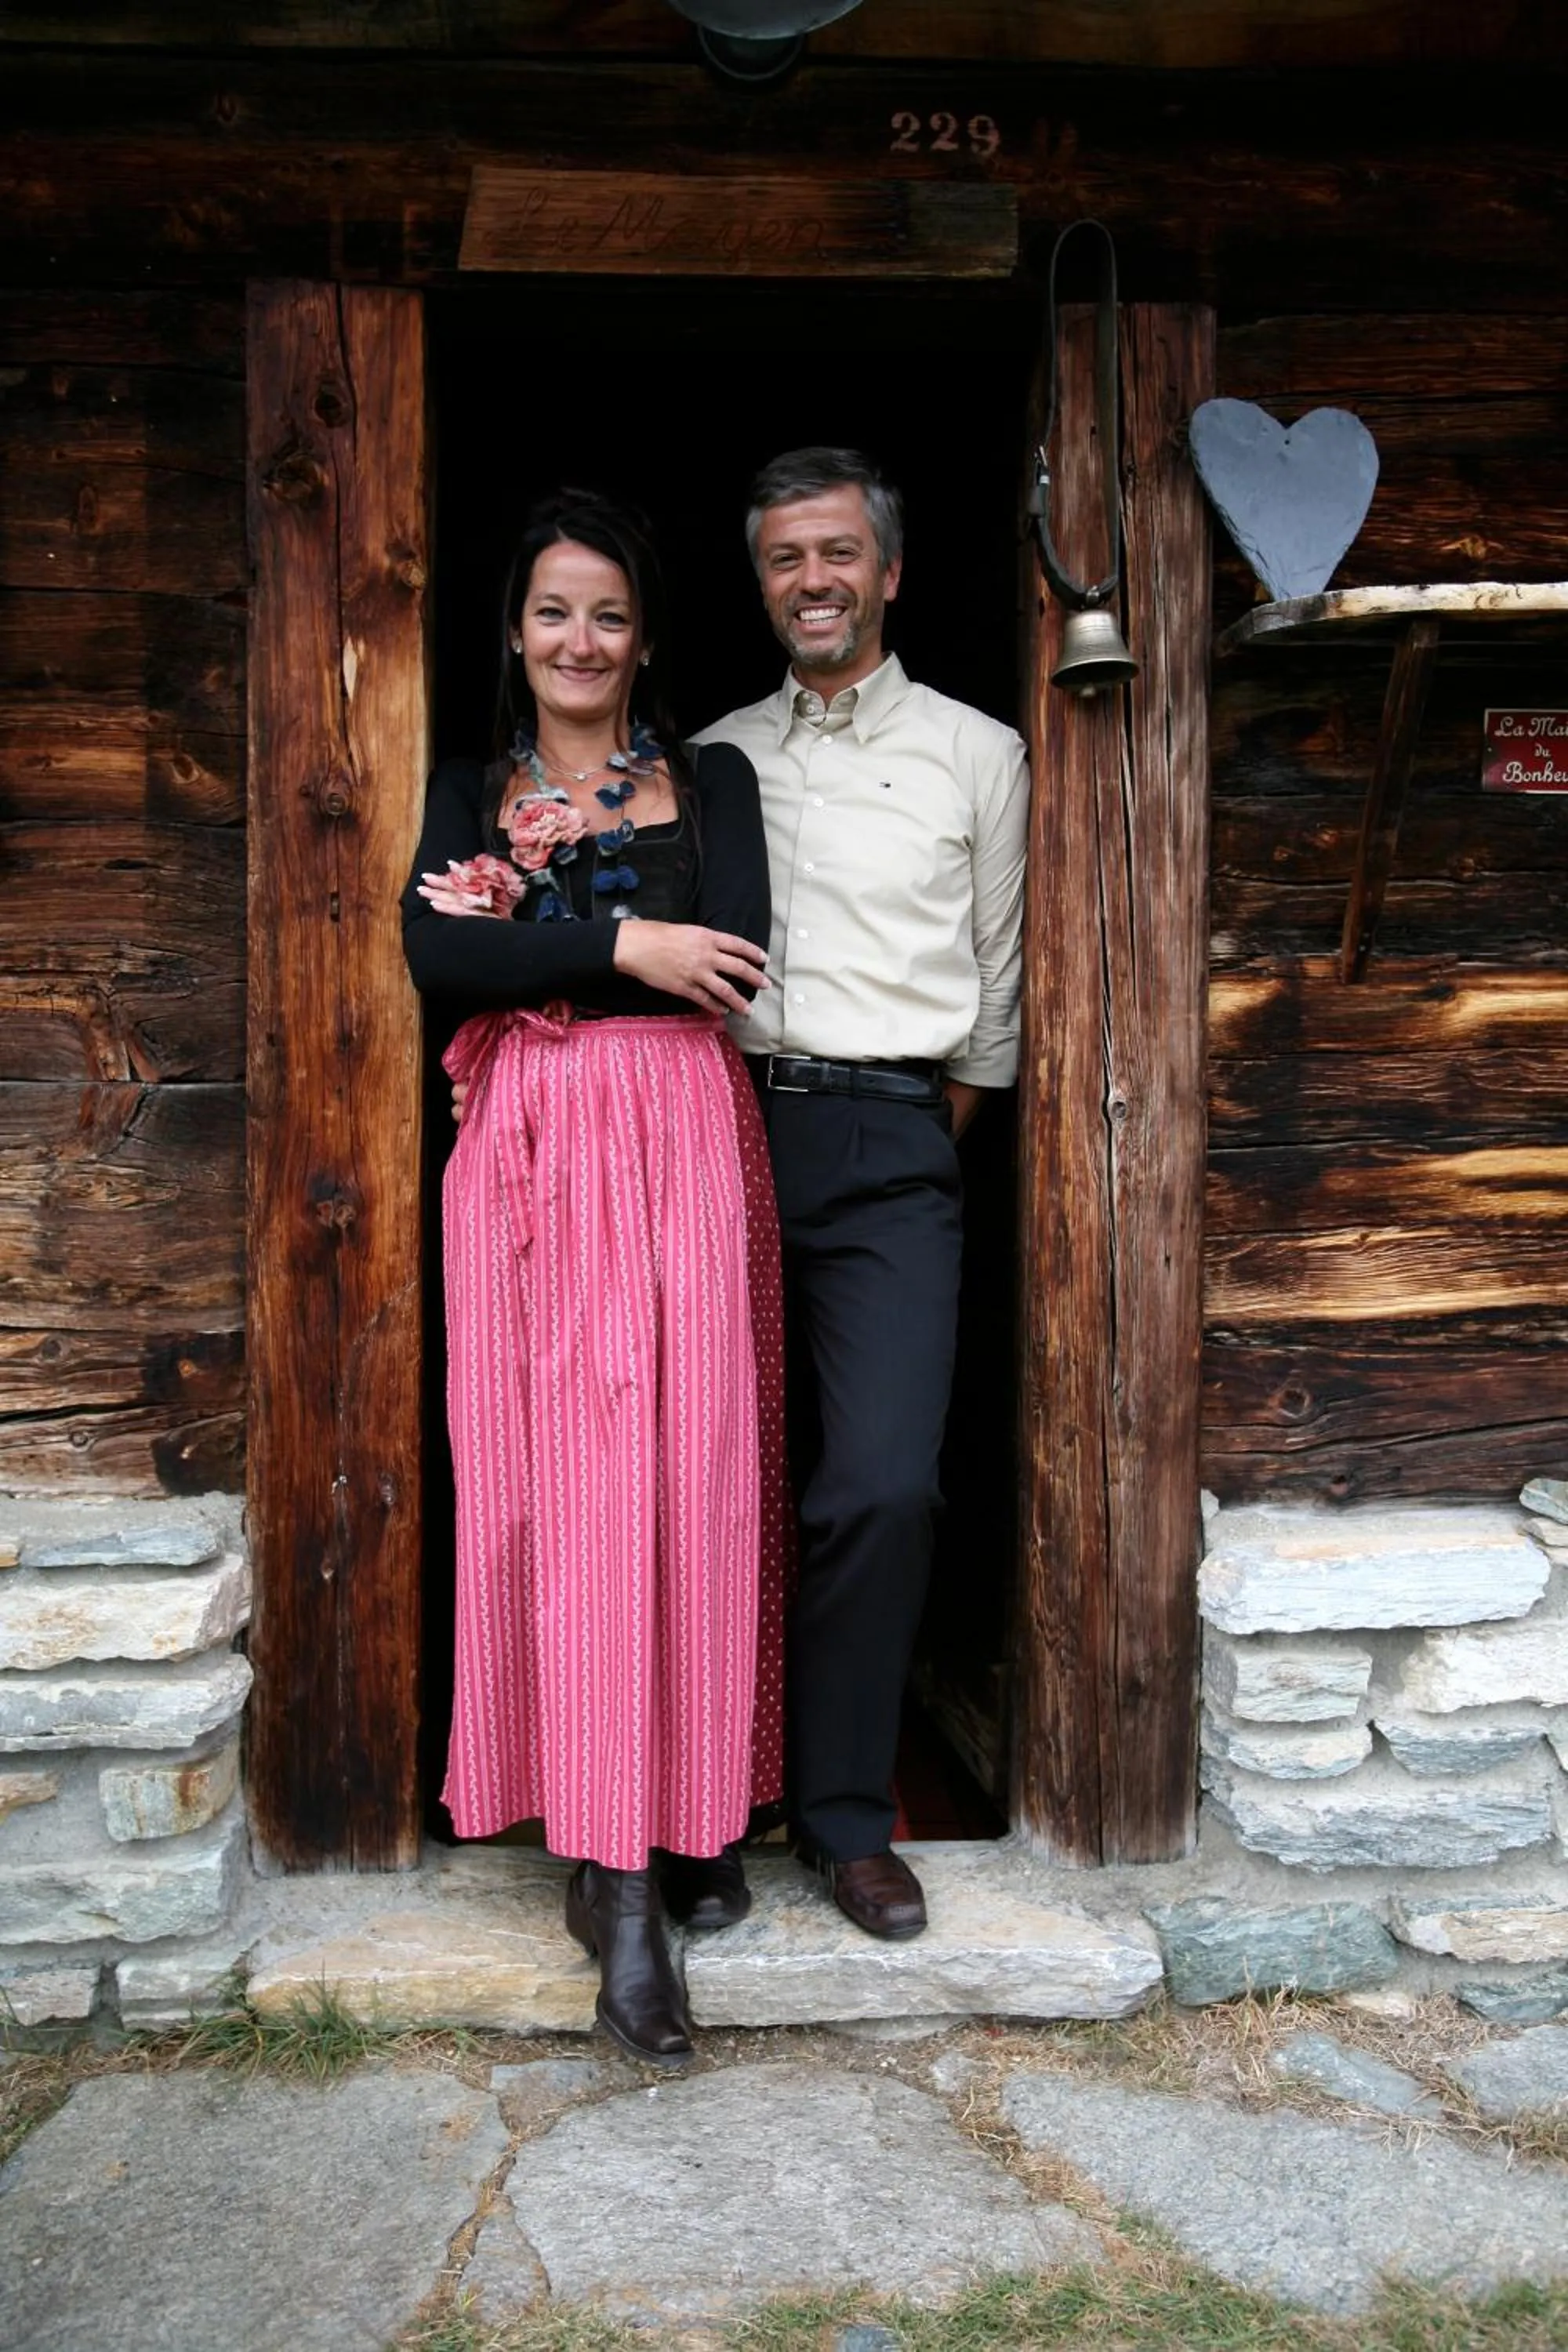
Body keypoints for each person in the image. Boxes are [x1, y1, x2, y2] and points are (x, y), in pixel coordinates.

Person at [401, 489, 789, 2066]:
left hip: (686, 1144)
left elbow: (739, 949)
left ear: (643, 640)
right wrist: (625, 951)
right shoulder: (461, 788)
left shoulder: (713, 782)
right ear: (516, 631)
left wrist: (539, 947)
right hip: (526, 1160)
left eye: (608, 615)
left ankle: (688, 1809)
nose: (579, 640)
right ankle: (608, 1871)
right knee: (553, 1484)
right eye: (553, 611)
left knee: (688, 1475)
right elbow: (438, 960)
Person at [694, 447, 1030, 1943]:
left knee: (880, 1484)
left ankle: (843, 1818)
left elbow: (998, 994)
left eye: (837, 553)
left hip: (897, 1142)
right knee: (701, 1482)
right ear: (759, 582)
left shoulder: (979, 753)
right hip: (720, 1130)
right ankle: (690, 1809)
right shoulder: (710, 759)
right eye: (782, 558)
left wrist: (905, 1130)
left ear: (890, 571)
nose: (811, 581)